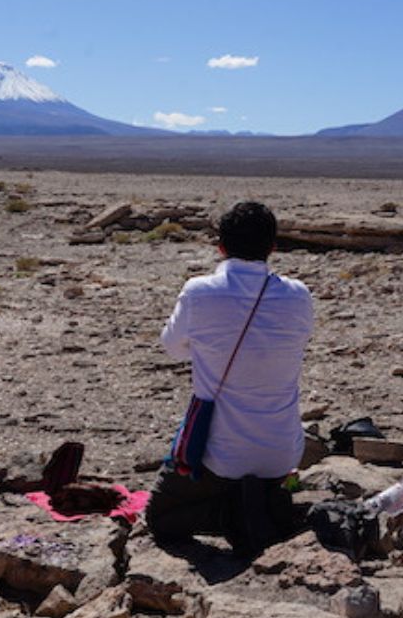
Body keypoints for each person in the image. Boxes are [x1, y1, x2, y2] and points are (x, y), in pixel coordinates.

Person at [145, 201, 314, 557]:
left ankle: (231, 513)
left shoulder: (199, 291)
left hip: (220, 456)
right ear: (273, 247)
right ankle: (263, 503)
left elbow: (172, 348)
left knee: (160, 516)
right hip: (283, 452)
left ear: (220, 247)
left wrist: (210, 349)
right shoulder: (299, 295)